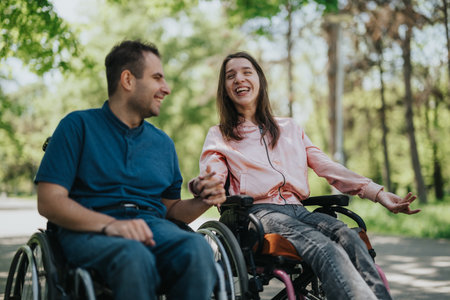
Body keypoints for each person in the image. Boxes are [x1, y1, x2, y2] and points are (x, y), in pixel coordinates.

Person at [189, 51, 420, 300]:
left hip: (299, 210)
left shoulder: (289, 128)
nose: (238, 79)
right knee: (322, 246)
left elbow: (327, 167)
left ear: (259, 80)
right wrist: (204, 185)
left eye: (247, 72)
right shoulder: (219, 135)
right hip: (258, 214)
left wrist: (379, 193)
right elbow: (213, 176)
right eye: (230, 76)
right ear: (224, 89)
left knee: (349, 236)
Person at [35, 40, 226, 300]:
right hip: (89, 230)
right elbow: (49, 201)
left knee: (198, 249)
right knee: (133, 256)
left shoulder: (163, 143)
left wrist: (203, 201)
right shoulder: (76, 127)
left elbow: (170, 209)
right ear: (127, 79)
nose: (166, 89)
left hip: (151, 228)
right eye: (157, 78)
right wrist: (112, 225)